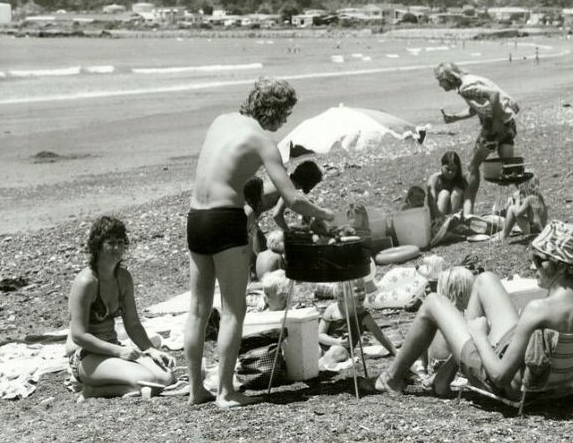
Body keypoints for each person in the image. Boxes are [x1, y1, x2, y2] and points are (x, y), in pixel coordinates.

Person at [184, 77, 334, 409]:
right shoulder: (262, 141)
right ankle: (225, 391)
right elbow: (292, 198)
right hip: (226, 219)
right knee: (232, 310)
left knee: (197, 309)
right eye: (284, 115)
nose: (284, 122)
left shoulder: (220, 121)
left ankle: (196, 388)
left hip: (196, 217)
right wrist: (325, 214)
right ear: (274, 110)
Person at [370, 221, 573, 400]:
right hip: (553, 386)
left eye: (539, 259)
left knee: (433, 301)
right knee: (485, 279)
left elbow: (501, 377)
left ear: (560, 266)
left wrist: (479, 336)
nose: (532, 265)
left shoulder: (539, 310)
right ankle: (446, 374)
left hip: (515, 387)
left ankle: (390, 379)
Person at [66, 216, 176, 399]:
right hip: (86, 356)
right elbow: (78, 335)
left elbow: (132, 324)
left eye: (120, 242)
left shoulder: (123, 278)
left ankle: (115, 388)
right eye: (110, 243)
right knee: (149, 379)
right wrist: (119, 351)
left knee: (167, 377)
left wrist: (150, 349)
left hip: (114, 347)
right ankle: (93, 390)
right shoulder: (86, 282)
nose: (117, 248)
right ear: (97, 246)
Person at [434, 62, 520, 216]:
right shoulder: (470, 79)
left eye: (440, 79)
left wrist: (494, 123)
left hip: (494, 127)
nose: (439, 84)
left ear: (449, 77)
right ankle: (529, 201)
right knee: (509, 169)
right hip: (508, 123)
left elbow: (494, 95)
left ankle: (468, 212)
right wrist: (455, 117)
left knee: (472, 167)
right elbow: (478, 107)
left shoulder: (465, 87)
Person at [318, 278, 397, 368]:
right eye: (357, 290)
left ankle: (317, 368)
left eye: (363, 289)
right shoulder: (332, 309)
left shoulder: (362, 315)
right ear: (342, 294)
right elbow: (320, 335)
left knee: (336, 352)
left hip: (342, 349)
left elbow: (381, 336)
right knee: (315, 351)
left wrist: (395, 352)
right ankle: (313, 368)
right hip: (325, 344)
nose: (362, 293)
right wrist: (336, 341)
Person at [500, 173, 548, 239]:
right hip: (541, 228)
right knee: (512, 207)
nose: (518, 188)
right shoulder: (537, 196)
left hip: (534, 231)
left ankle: (503, 235)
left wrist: (517, 199)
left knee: (512, 209)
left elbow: (517, 213)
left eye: (519, 185)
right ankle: (504, 230)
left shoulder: (529, 199)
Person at [427, 151, 468, 218]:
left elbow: (465, 204)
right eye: (447, 169)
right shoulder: (434, 179)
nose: (450, 172)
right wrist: (440, 216)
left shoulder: (462, 181)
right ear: (441, 166)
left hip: (454, 215)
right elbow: (431, 202)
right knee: (444, 194)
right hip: (437, 215)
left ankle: (451, 221)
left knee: (457, 193)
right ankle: (440, 222)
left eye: (453, 170)